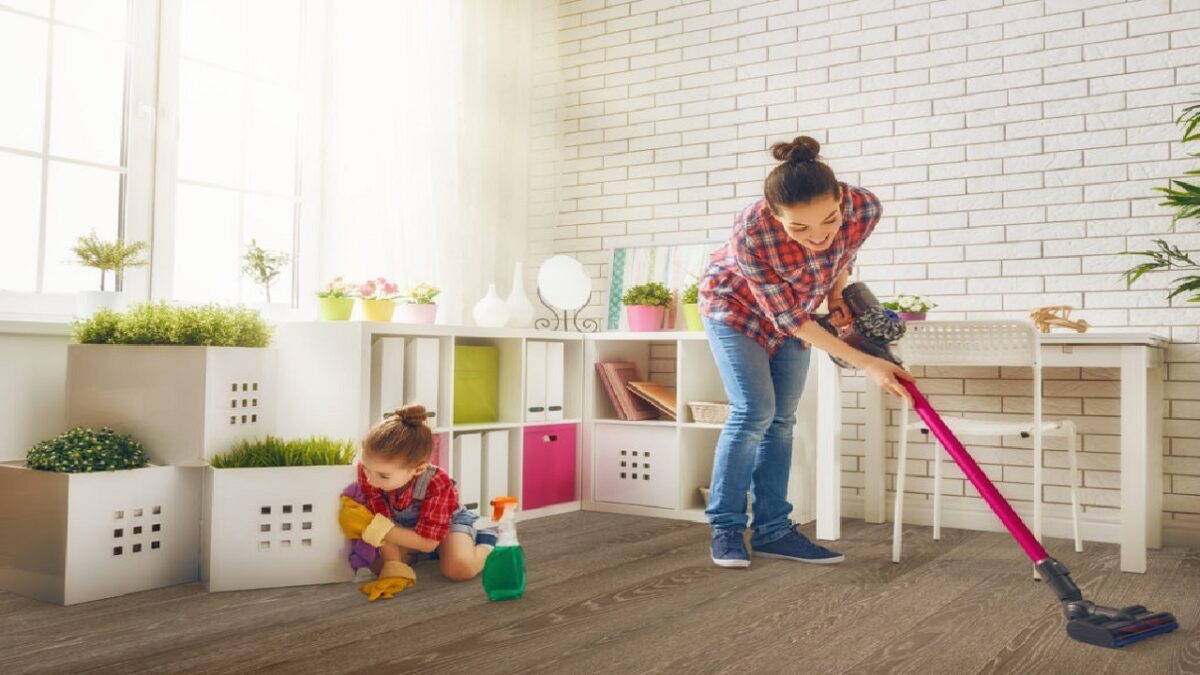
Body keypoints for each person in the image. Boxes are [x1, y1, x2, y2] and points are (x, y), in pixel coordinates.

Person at [698, 134, 915, 569]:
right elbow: (788, 320)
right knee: (754, 410)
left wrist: (835, 295)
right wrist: (869, 363)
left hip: (796, 309)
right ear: (774, 215)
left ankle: (774, 530)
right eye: (799, 228)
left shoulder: (865, 207)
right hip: (734, 308)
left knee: (782, 420)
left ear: (841, 199)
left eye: (828, 220)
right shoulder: (751, 231)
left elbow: (842, 255)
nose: (818, 236)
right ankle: (725, 527)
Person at [338, 404, 497, 600]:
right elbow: (383, 517)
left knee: (459, 568)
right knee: (378, 567)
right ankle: (431, 553)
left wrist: (373, 527)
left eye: (383, 476)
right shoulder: (371, 472)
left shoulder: (437, 481)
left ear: (418, 469)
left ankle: (487, 543)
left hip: (443, 526)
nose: (370, 480)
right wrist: (394, 568)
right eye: (367, 469)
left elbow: (428, 542)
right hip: (403, 527)